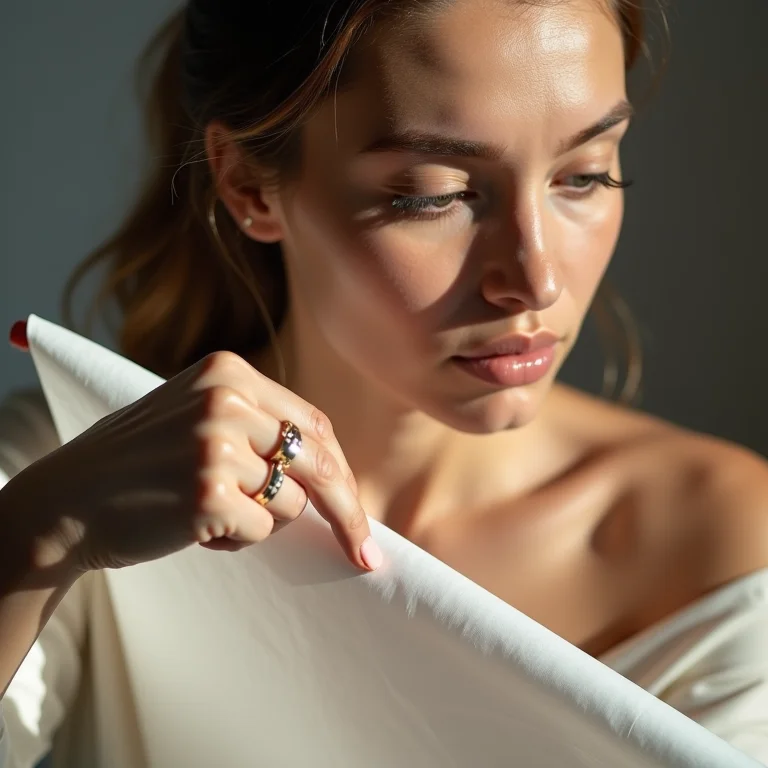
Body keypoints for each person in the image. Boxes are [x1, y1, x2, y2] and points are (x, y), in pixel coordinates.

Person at [2, 0, 768, 765]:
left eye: (586, 175)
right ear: (248, 184)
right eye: (436, 193)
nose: (536, 280)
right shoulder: (68, 467)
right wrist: (44, 531)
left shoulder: (718, 541)